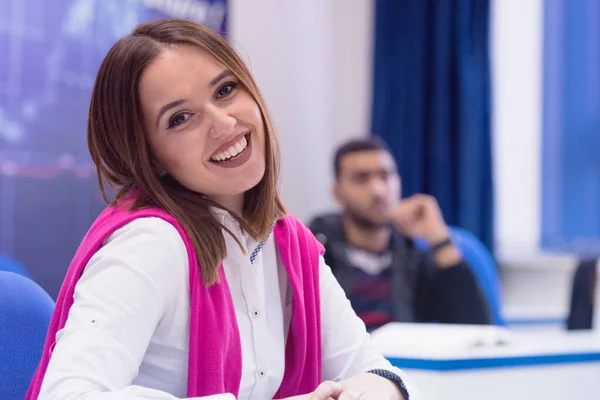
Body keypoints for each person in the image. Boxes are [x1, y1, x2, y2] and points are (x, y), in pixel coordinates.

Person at [26, 20, 418, 400]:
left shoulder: (287, 241)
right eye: (180, 119)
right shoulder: (150, 244)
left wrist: (373, 392)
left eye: (226, 90)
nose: (223, 122)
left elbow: (373, 368)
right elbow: (67, 394)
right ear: (150, 157)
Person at [309, 138, 491, 331]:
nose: (377, 190)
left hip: (403, 360)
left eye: (385, 176)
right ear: (337, 192)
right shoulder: (316, 253)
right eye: (361, 179)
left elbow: (477, 330)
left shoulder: (413, 258)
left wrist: (439, 239)